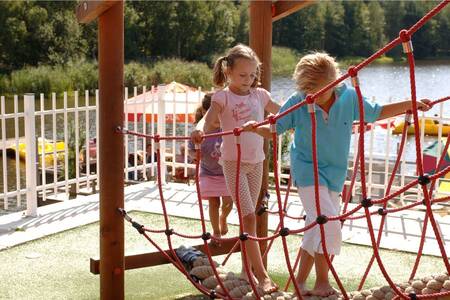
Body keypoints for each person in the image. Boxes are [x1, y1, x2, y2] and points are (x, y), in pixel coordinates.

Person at [242, 52, 432, 297]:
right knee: (327, 222)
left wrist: (410, 103)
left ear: (335, 83)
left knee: (316, 227)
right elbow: (275, 128)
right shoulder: (300, 100)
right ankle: (322, 282)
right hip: (307, 169)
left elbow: (376, 112)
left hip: (334, 173)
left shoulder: (348, 98)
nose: (315, 98)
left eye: (321, 91)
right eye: (309, 93)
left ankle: (299, 282)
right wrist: (256, 129)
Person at [191, 44, 280, 294]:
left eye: (252, 75)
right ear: (228, 71)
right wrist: (199, 129)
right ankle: (261, 275)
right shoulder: (223, 97)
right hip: (234, 164)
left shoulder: (259, 95)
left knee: (249, 219)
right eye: (243, 75)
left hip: (257, 162)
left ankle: (244, 269)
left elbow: (282, 113)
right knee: (249, 216)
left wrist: (299, 116)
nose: (248, 80)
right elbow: (208, 119)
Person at [188, 93, 233, 243]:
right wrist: (194, 155)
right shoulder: (200, 132)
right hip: (208, 172)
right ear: (204, 112)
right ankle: (216, 231)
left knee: (228, 201)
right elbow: (190, 149)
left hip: (226, 172)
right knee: (213, 203)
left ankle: (223, 218)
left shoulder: (226, 127)